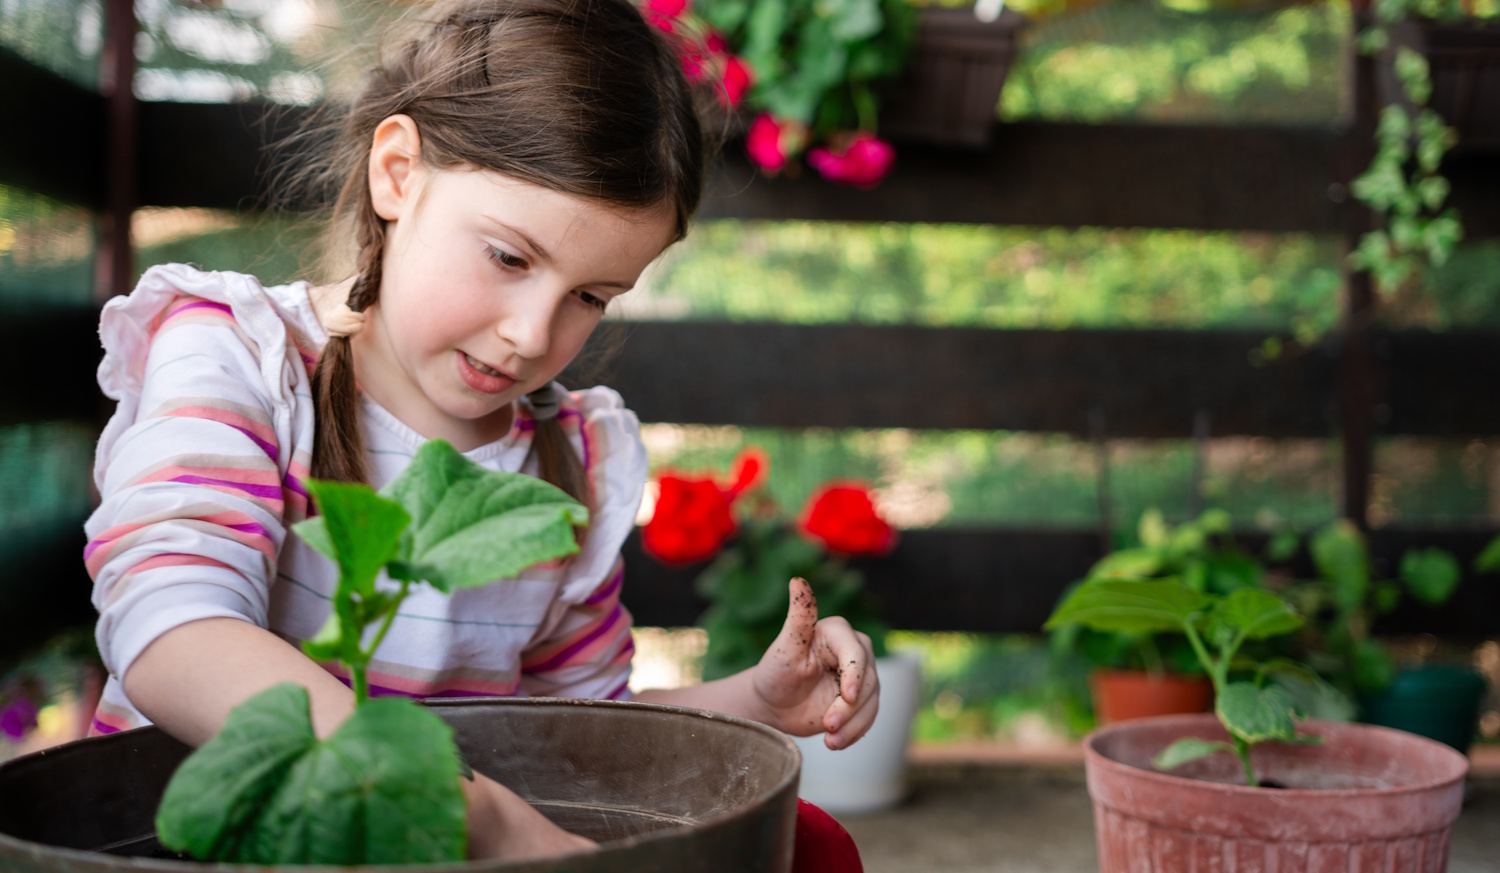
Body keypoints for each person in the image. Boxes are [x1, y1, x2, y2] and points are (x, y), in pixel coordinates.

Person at [83, 0, 879, 862]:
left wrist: (755, 702)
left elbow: (575, 742)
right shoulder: (237, 357)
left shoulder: (569, 458)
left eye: (590, 297)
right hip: (229, 839)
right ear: (398, 173)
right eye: (508, 257)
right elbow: (172, 632)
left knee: (814, 848)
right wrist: (473, 812)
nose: (533, 336)